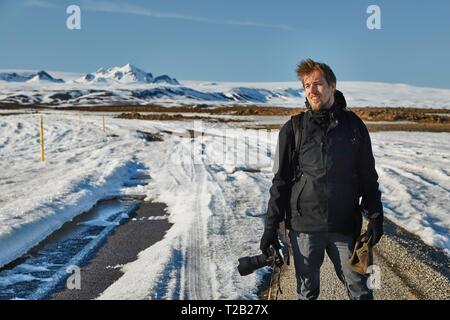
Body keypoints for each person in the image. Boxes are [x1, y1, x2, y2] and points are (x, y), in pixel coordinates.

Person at [260, 59, 383, 300]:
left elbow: (368, 176)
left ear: (332, 85)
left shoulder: (354, 127)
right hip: (304, 228)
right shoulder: (293, 128)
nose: (312, 90)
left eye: (317, 83)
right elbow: (281, 182)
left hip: (346, 226)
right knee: (307, 293)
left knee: (361, 290)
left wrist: (376, 216)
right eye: (307, 85)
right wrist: (270, 227)